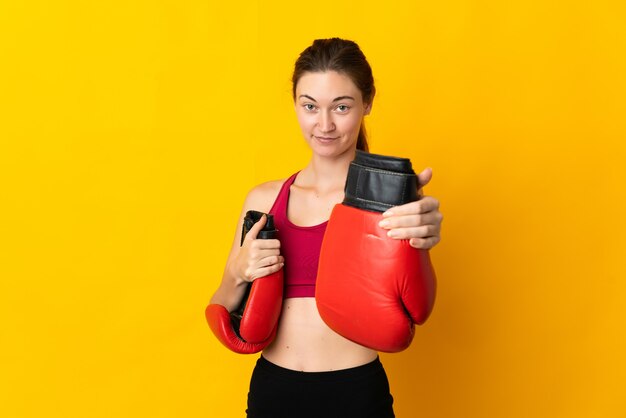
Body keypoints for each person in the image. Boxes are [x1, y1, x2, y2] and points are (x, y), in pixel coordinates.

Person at [209, 37, 443, 418]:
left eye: (342, 106)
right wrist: (238, 270)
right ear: (296, 105)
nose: (325, 124)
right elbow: (223, 303)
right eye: (310, 106)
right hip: (274, 392)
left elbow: (417, 303)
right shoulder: (264, 200)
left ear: (366, 104)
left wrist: (423, 233)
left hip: (356, 393)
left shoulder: (389, 201)